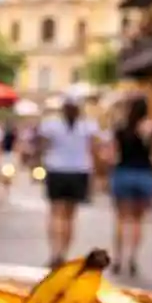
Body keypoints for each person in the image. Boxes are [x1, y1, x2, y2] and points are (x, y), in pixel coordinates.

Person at [37, 99, 100, 265]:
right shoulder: (88, 126)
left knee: (56, 213)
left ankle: (54, 251)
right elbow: (94, 150)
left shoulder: (51, 125)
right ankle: (63, 252)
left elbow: (43, 146)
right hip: (79, 171)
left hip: (57, 169)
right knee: (70, 216)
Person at [107, 96, 152, 277]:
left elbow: (112, 155)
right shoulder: (151, 129)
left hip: (123, 172)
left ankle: (117, 259)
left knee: (122, 219)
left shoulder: (121, 129)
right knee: (138, 220)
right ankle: (132, 259)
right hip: (144, 174)